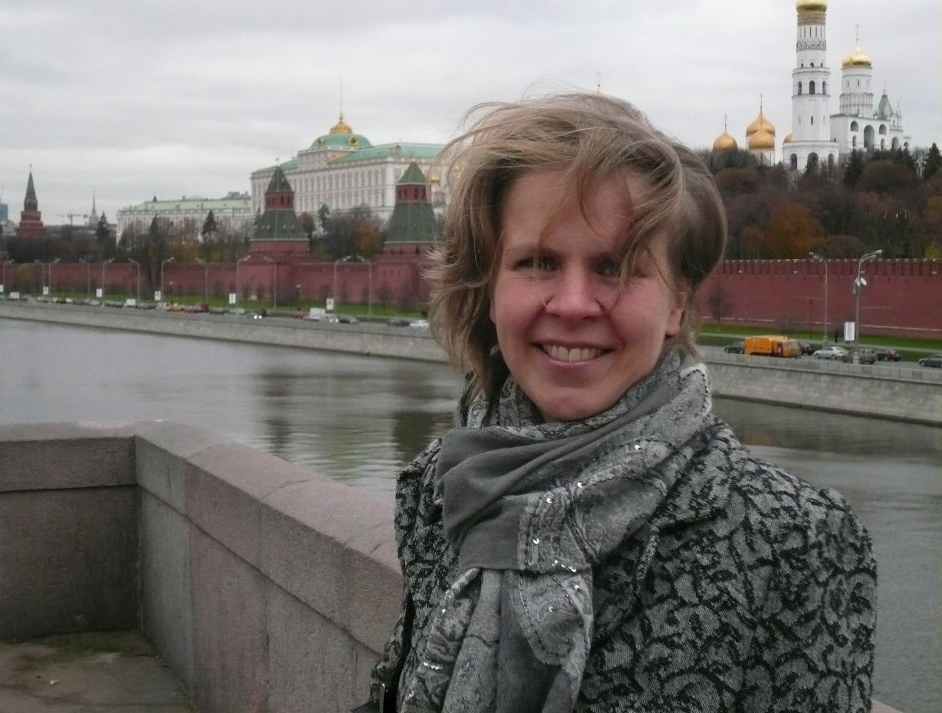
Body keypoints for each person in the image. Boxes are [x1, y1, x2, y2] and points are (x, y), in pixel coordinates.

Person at [356, 92, 876, 713]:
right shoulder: (442, 486)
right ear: (488, 288)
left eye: (617, 267)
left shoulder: (795, 541)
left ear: (677, 301)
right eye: (538, 262)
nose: (573, 304)